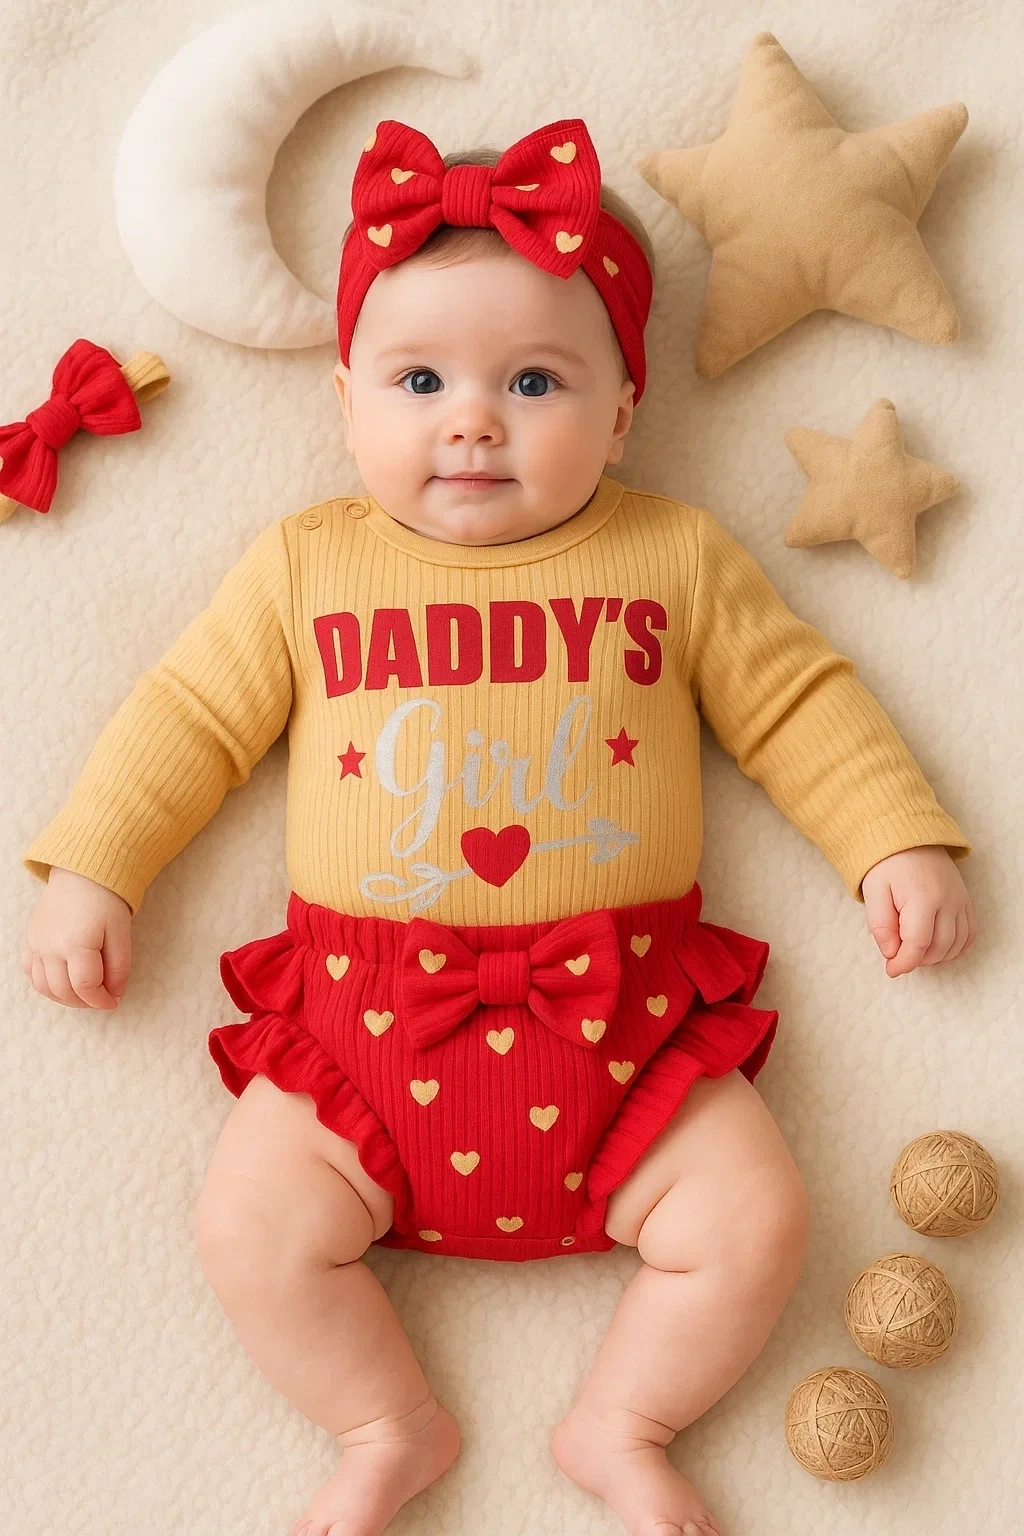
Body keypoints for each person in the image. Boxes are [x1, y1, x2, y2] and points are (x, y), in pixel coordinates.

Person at [21, 117, 974, 1536]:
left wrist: (892, 836)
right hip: (365, 1030)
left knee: (756, 1217)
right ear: (347, 404)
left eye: (535, 380)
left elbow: (793, 703)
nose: (472, 419)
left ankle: (624, 1422)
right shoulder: (307, 566)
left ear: (623, 412)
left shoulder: (673, 556)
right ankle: (383, 1423)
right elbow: (189, 719)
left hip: (624, 1028)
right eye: (420, 381)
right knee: (248, 1225)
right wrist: (98, 867)